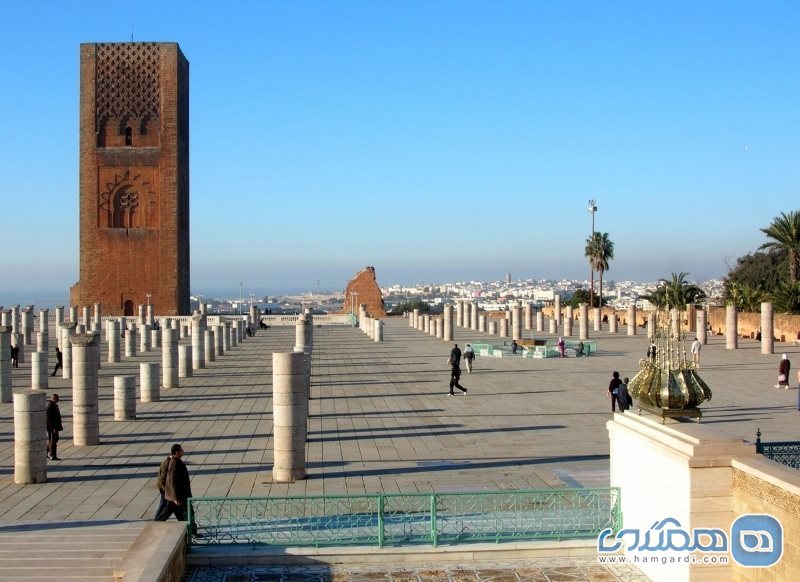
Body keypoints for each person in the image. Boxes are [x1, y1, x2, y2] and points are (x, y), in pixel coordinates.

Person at [155, 444, 194, 523]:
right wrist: (175, 498)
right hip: (177, 496)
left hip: (176, 495)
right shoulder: (174, 464)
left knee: (182, 515)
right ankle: (192, 531)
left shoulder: (177, 462)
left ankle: (191, 531)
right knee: (188, 513)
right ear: (177, 452)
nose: (183, 451)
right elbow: (173, 482)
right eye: (181, 450)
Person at [154, 450, 172, 519]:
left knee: (163, 503)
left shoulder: (167, 461)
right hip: (162, 486)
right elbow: (163, 477)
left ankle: (158, 518)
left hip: (163, 486)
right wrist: (165, 488)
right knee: (162, 503)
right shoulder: (167, 463)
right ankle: (157, 518)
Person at [46, 394, 63, 460]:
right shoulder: (50, 407)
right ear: (53, 399)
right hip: (52, 427)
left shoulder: (54, 405)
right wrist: (52, 428)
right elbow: (48, 419)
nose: (58, 399)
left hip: (55, 426)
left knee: (54, 439)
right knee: (53, 441)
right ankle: (52, 455)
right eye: (57, 398)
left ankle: (46, 452)